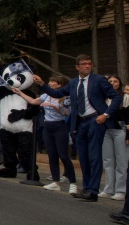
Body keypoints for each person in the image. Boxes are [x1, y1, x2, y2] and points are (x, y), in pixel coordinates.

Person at [34, 54, 121, 202]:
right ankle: (86, 189)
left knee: (94, 156)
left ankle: (93, 190)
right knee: (84, 157)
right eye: (84, 64)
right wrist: (42, 83)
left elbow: (116, 97)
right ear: (77, 67)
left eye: (89, 64)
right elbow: (56, 93)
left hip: (95, 120)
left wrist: (105, 114)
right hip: (80, 123)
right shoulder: (73, 83)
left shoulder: (98, 80)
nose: (87, 66)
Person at [12, 75, 77, 193]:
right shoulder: (46, 95)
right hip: (48, 127)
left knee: (63, 155)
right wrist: (19, 92)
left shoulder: (65, 97)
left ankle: (72, 182)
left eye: (53, 81)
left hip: (60, 126)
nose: (50, 83)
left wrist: (53, 106)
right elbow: (32, 101)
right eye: (50, 81)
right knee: (52, 155)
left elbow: (66, 113)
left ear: (59, 84)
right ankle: (56, 182)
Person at [99, 75, 127, 201]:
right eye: (110, 81)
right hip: (106, 130)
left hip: (120, 130)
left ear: (119, 84)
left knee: (121, 161)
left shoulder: (124, 98)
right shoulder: (103, 98)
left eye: (115, 81)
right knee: (108, 161)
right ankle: (109, 188)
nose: (112, 83)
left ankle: (121, 190)